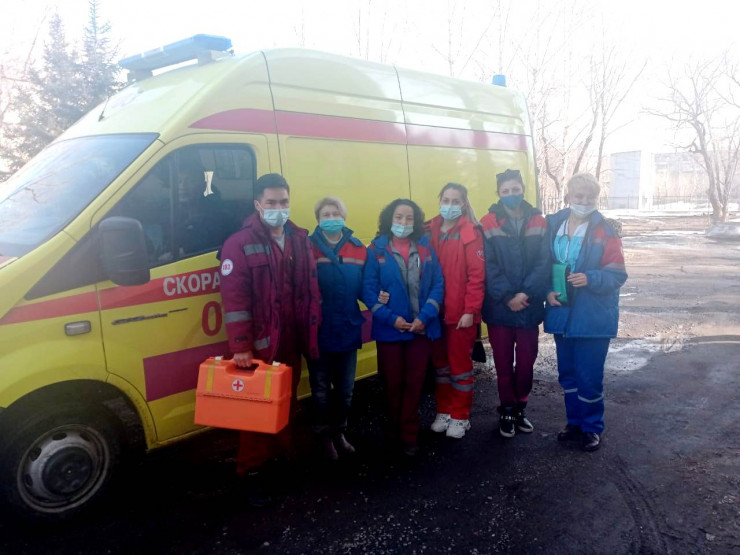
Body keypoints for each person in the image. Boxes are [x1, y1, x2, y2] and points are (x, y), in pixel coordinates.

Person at [219, 173, 321, 498]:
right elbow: (235, 301)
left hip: (292, 340)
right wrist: (241, 347)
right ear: (258, 204)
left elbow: (310, 290)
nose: (279, 208)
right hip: (261, 345)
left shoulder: (299, 238)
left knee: (286, 404)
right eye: (272, 202)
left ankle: (280, 459)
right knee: (256, 411)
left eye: (284, 201)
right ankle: (251, 472)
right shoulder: (238, 244)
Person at [545, 173, 628, 452]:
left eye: (590, 197)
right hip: (562, 313)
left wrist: (591, 278)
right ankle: (574, 423)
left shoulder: (606, 230)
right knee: (567, 374)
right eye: (578, 196)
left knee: (589, 377)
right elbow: (544, 264)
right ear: (568, 196)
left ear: (597, 199)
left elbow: (617, 274)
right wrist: (547, 291)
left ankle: (592, 427)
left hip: (593, 316)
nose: (583, 201)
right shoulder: (553, 224)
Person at [362, 199, 444, 456]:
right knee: (392, 383)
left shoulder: (425, 247)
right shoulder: (376, 250)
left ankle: (409, 434)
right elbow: (368, 290)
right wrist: (391, 319)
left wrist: (425, 317)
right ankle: (393, 431)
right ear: (389, 219)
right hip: (390, 331)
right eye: (399, 217)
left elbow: (438, 284)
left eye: (409, 218)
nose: (403, 223)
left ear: (416, 222)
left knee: (414, 383)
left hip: (420, 330)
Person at [481, 169, 550, 438]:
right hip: (500, 307)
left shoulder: (539, 221)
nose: (511, 194)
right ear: (498, 193)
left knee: (525, 362)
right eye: (505, 191)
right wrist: (508, 296)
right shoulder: (488, 222)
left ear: (523, 190)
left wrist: (526, 293)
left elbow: (544, 261)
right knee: (502, 363)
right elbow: (488, 265)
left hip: (529, 307)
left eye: (515, 189)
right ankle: (507, 410)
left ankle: (521, 406)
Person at [308, 197, 367, 460]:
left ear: (344, 217)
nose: (331, 218)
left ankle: (339, 432)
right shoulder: (307, 248)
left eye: (336, 214)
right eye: (326, 214)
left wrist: (385, 302)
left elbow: (367, 287)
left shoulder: (358, 249)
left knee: (345, 391)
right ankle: (323, 437)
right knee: (320, 390)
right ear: (318, 219)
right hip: (318, 331)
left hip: (347, 329)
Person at [426, 183, 485, 439]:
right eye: (446, 200)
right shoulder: (428, 229)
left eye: (455, 201)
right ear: (439, 200)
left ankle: (461, 416)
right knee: (440, 367)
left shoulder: (470, 232)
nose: (449, 205)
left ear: (463, 204)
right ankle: (444, 410)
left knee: (460, 367)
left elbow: (477, 276)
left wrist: (471, 310)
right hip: (434, 312)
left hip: (460, 314)